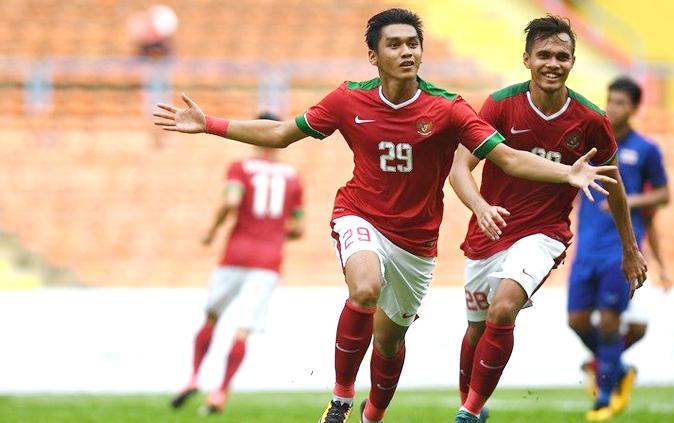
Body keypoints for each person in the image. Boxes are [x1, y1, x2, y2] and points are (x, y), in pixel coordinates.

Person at [153, 9, 616, 423]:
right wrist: (209, 123)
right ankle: (339, 399)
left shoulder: (448, 108)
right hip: (360, 214)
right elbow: (280, 132)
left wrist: (565, 173)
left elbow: (509, 158)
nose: (406, 51)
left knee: (390, 342)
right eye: (394, 44)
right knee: (365, 287)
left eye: (413, 43)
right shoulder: (348, 100)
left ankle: (371, 415)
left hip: (416, 242)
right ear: (373, 55)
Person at [448, 17, 648, 423]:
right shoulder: (501, 104)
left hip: (544, 233)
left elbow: (616, 188)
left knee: (503, 310)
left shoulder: (591, 121)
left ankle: (468, 413)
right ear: (527, 59)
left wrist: (631, 249)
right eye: (544, 55)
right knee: (475, 330)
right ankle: (474, 405)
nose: (552, 63)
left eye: (562, 56)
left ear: (573, 61)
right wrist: (480, 207)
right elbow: (458, 169)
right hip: (491, 229)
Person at [169, 112, 305, 414]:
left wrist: (212, 230)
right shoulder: (293, 178)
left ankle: (193, 377)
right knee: (243, 329)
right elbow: (298, 228)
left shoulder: (240, 168)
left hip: (236, 253)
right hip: (268, 261)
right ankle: (220, 391)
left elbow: (232, 201)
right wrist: (273, 231)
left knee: (212, 316)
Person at [568, 77, 669, 420]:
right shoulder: (592, 145)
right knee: (577, 320)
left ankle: (605, 398)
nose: (612, 108)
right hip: (586, 248)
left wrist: (626, 200)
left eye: (621, 103)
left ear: (635, 108)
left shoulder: (645, 149)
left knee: (611, 321)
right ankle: (617, 368)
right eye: (609, 101)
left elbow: (663, 195)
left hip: (620, 249)